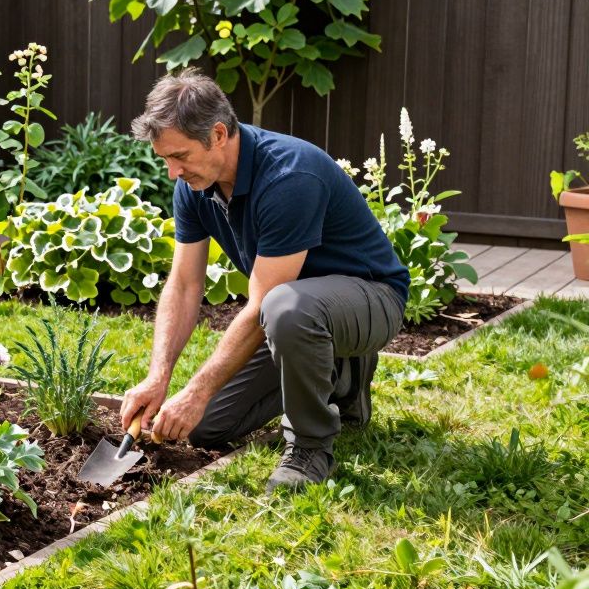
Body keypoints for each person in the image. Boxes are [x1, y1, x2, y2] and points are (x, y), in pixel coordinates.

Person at [118, 68, 409, 492]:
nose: (171, 172)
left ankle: (310, 448)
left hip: (370, 298)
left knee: (285, 308)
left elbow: (262, 305)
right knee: (205, 428)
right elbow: (183, 285)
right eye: (165, 158)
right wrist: (158, 377)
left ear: (218, 134)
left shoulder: (289, 176)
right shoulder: (194, 185)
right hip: (295, 315)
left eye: (179, 156)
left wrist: (195, 391)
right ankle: (340, 379)